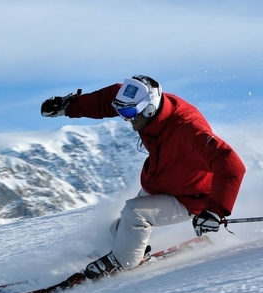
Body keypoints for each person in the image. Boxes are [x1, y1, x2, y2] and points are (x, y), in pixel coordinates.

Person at [41, 75, 246, 281]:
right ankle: (125, 249)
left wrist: (214, 211)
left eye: (129, 112)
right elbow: (106, 100)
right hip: (163, 181)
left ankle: (124, 262)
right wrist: (69, 106)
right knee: (122, 226)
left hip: (191, 197)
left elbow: (231, 164)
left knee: (135, 213)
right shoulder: (146, 105)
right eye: (121, 111)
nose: (126, 118)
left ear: (149, 109)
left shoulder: (189, 130)